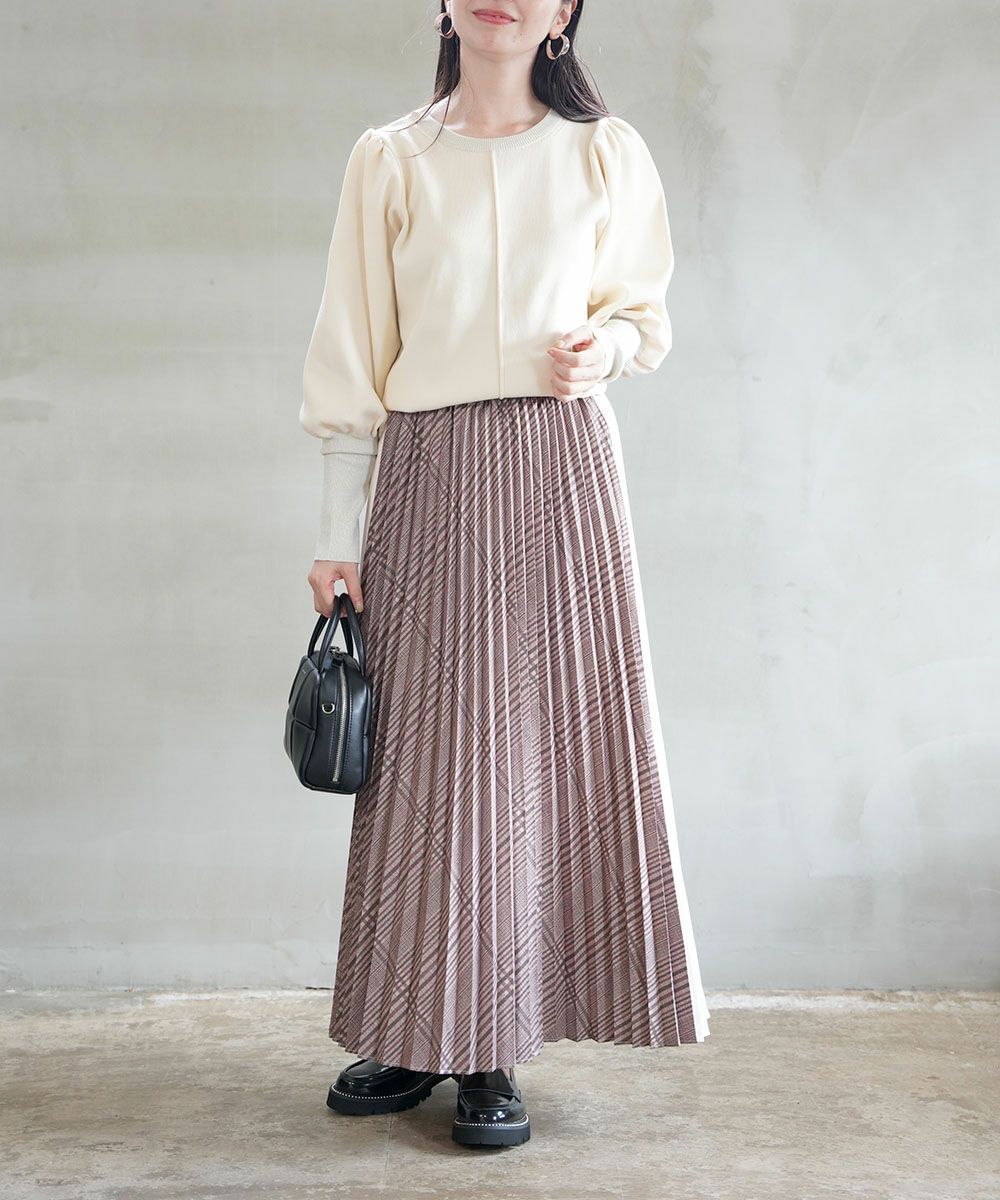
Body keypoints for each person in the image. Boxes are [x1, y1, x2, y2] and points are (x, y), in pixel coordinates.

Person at [300, 0, 711, 1149]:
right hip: (427, 470)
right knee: (422, 763)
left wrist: (605, 349)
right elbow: (350, 349)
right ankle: (412, 1026)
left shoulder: (602, 152)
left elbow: (642, 313)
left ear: (566, 10)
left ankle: (493, 1043)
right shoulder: (391, 159)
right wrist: (336, 534)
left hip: (557, 469)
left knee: (532, 755)